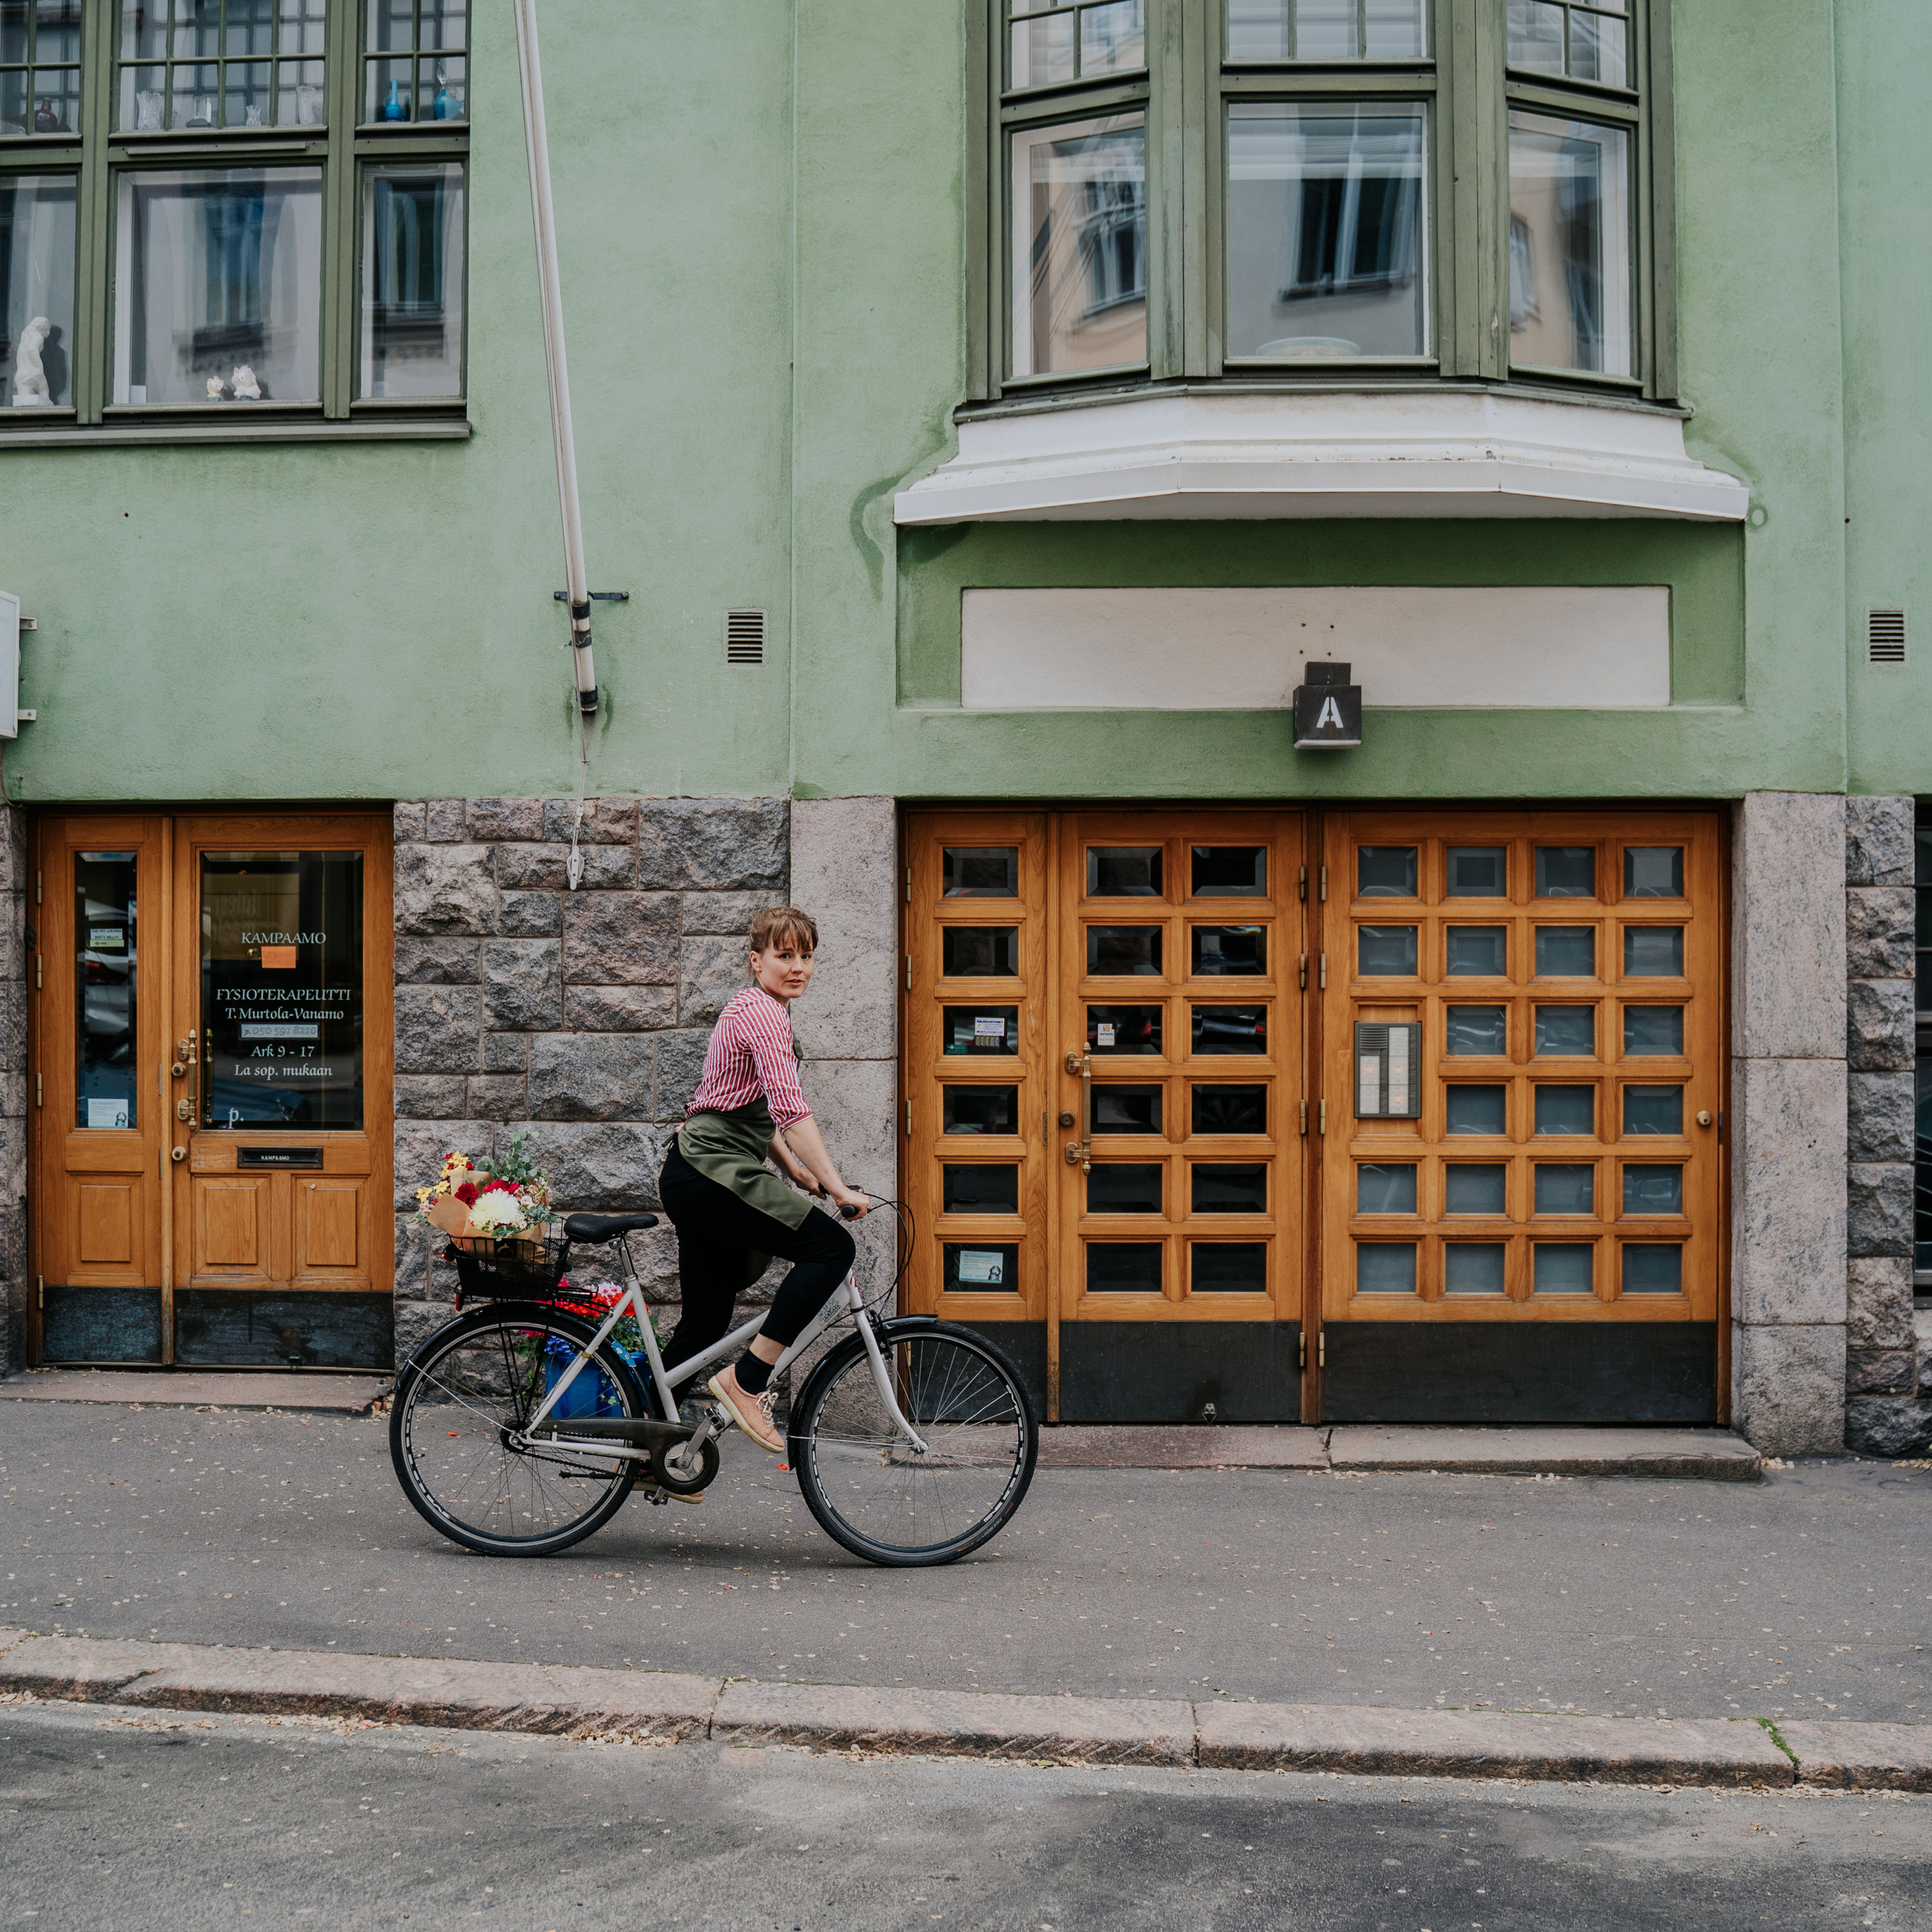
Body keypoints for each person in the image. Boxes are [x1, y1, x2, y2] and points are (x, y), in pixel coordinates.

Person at [656, 906, 869, 1452]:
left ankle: (648, 1447)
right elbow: (792, 1109)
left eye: (807, 956)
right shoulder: (763, 1013)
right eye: (784, 955)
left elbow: (745, 1105)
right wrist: (839, 1187)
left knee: (704, 1327)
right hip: (710, 1169)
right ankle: (746, 1382)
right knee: (830, 1249)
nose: (798, 966)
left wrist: (794, 1169)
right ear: (757, 961)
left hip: (697, 1171)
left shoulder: (761, 1009)